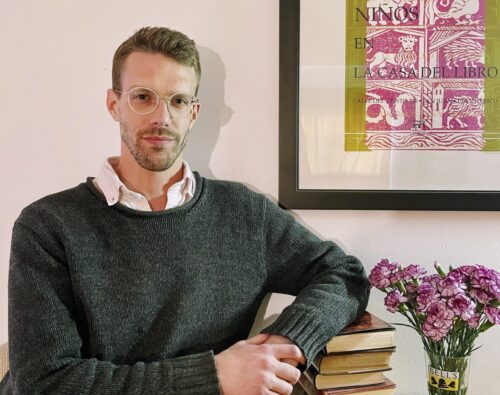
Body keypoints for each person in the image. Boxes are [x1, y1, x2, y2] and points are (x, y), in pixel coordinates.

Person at [1, 27, 369, 395]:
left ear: (193, 113)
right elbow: (43, 384)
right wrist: (214, 376)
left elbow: (344, 275)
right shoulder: (48, 226)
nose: (162, 116)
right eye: (143, 97)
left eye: (177, 100)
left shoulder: (243, 214)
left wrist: (283, 344)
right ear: (114, 104)